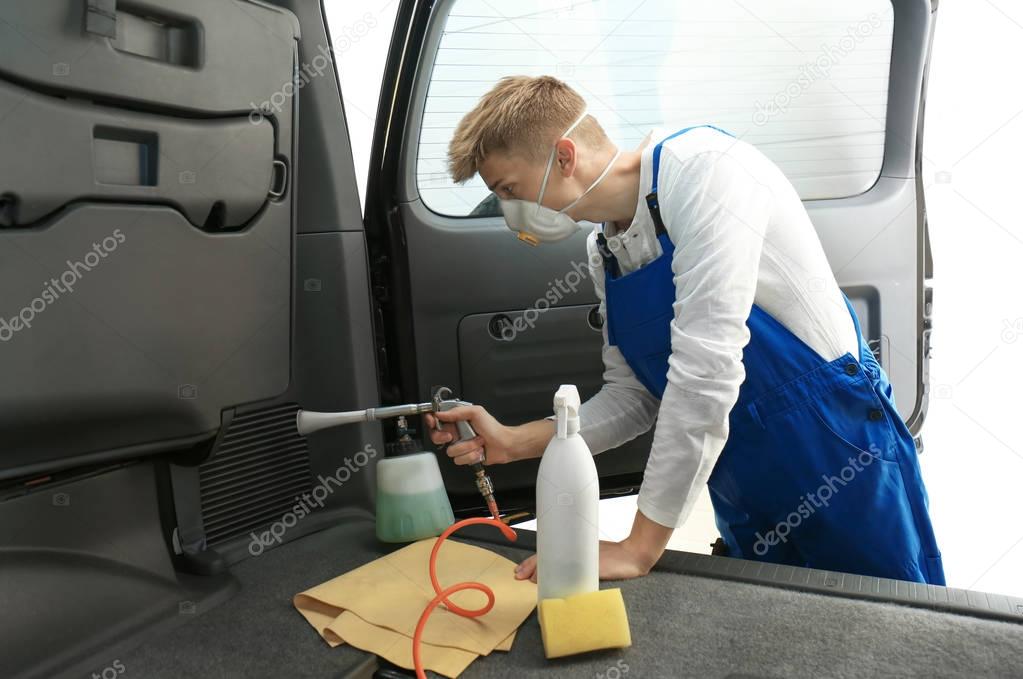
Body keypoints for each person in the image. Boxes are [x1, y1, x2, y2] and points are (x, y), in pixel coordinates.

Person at [424, 75, 944, 586]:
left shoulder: (704, 173)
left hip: (831, 444)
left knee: (885, 623)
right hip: (740, 464)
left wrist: (639, 548)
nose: (511, 212)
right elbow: (636, 398)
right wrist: (516, 442)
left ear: (564, 156)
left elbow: (705, 374)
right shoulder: (604, 251)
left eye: (509, 190)